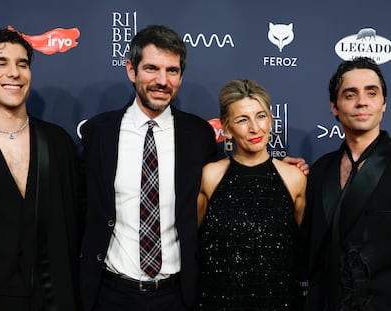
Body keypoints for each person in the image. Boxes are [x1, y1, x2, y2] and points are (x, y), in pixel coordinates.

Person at [79, 25, 308, 311]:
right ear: (131, 70)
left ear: (180, 76)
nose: (162, 80)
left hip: (177, 295)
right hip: (111, 292)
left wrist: (280, 169)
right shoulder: (99, 132)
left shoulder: (198, 135)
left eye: (172, 71)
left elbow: (235, 178)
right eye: (151, 68)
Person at [0, 29, 85, 311]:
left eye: (22, 64)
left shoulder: (58, 143)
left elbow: (77, 222)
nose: (14, 73)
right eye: (1, 63)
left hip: (53, 300)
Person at [196, 79, 307, 310]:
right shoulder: (210, 176)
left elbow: (312, 249)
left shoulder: (295, 178)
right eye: (242, 120)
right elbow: (188, 244)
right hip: (217, 303)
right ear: (226, 129)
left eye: (261, 116)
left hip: (280, 302)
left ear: (271, 119)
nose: (255, 128)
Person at [303, 56, 391, 310]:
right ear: (335, 106)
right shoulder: (320, 170)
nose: (362, 101)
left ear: (383, 103)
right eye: (350, 94)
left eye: (371, 93)